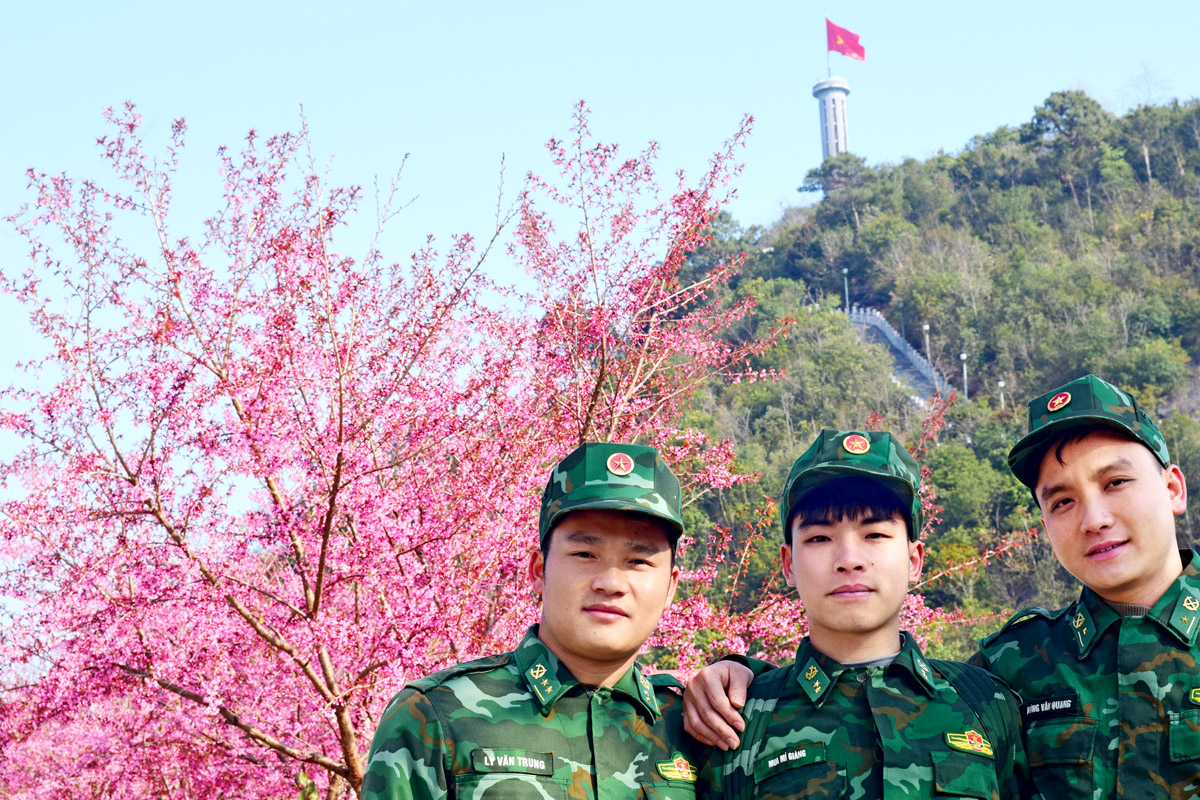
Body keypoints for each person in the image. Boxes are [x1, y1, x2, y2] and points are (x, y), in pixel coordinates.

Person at [362, 442, 704, 800]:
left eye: (639, 561)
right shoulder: (435, 715)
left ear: (670, 587)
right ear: (539, 571)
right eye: (585, 554)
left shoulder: (698, 728)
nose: (611, 583)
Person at [699, 429, 1024, 800]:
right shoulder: (735, 721)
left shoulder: (986, 705)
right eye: (820, 538)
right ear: (788, 565)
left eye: (875, 535)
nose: (849, 560)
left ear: (914, 560)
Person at [971, 374, 1199, 798]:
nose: (1093, 519)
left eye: (1115, 483)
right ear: (1045, 526)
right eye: (1062, 502)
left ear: (1172, 489)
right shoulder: (1007, 667)